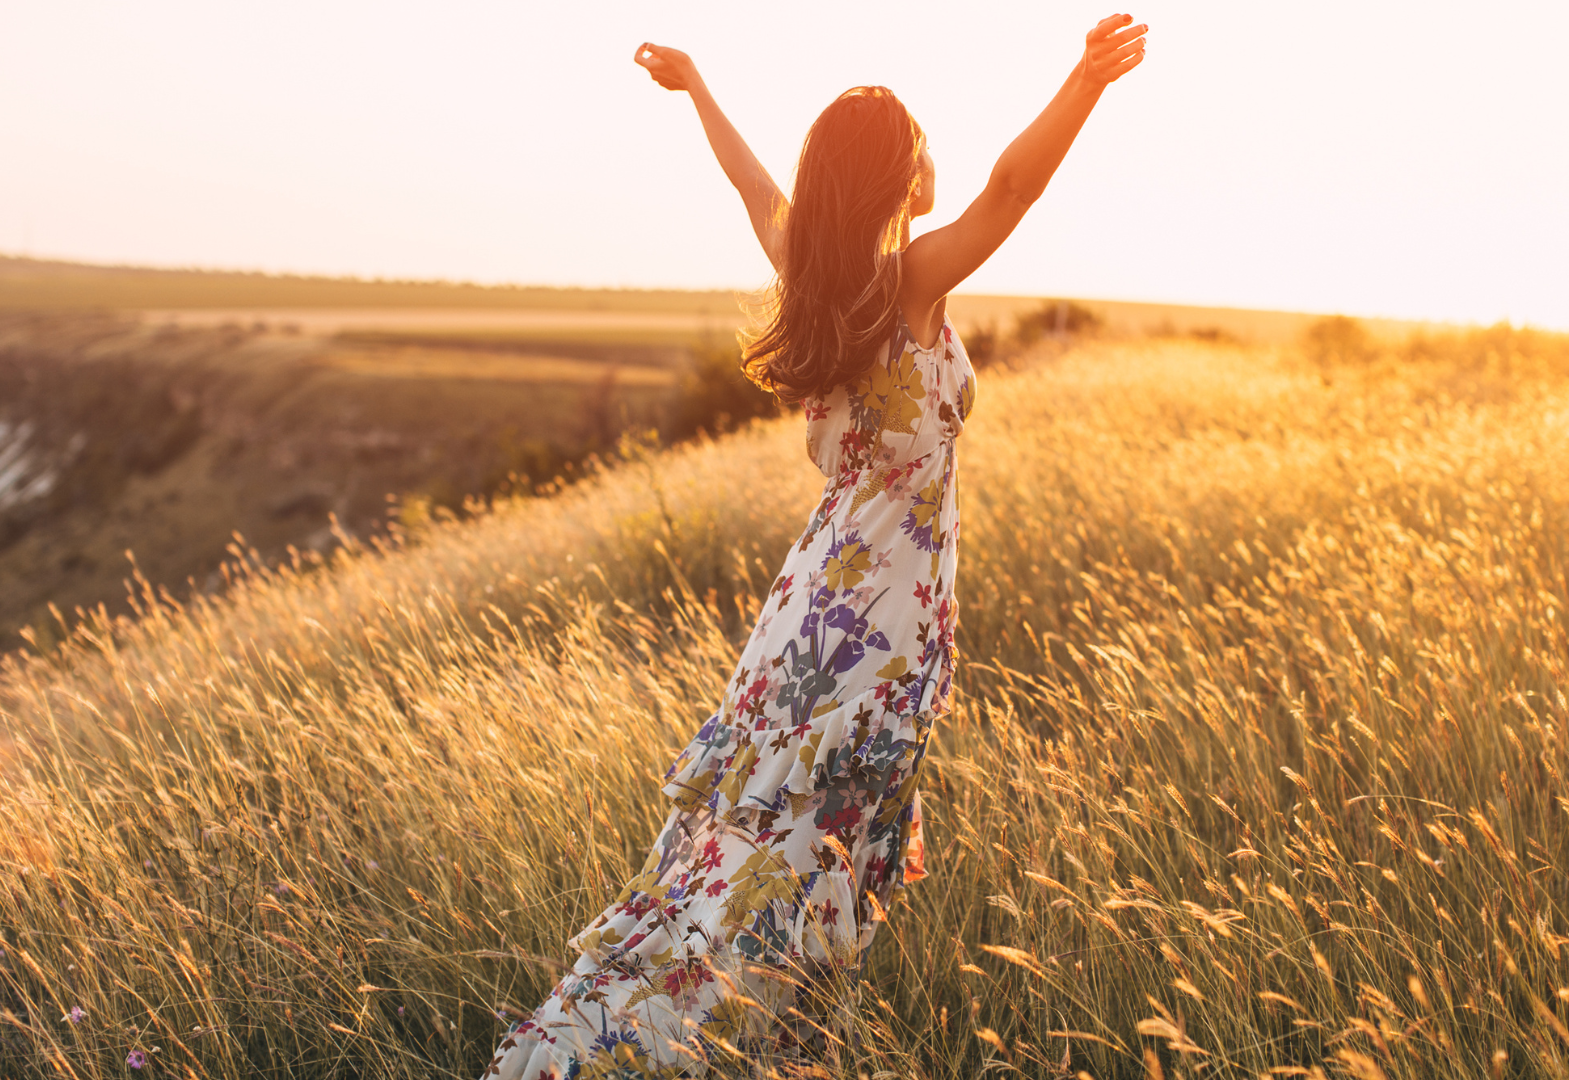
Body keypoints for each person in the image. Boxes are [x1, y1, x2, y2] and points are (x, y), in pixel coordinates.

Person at [482, 15, 1145, 1078]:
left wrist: (699, 86)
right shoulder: (911, 285)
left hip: (805, 617)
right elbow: (1013, 190)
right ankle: (675, 1051)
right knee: (811, 861)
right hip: (880, 628)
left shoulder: (812, 271)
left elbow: (753, 188)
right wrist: (1085, 82)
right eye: (922, 147)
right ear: (900, 177)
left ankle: (662, 1037)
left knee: (747, 853)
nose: (937, 162)